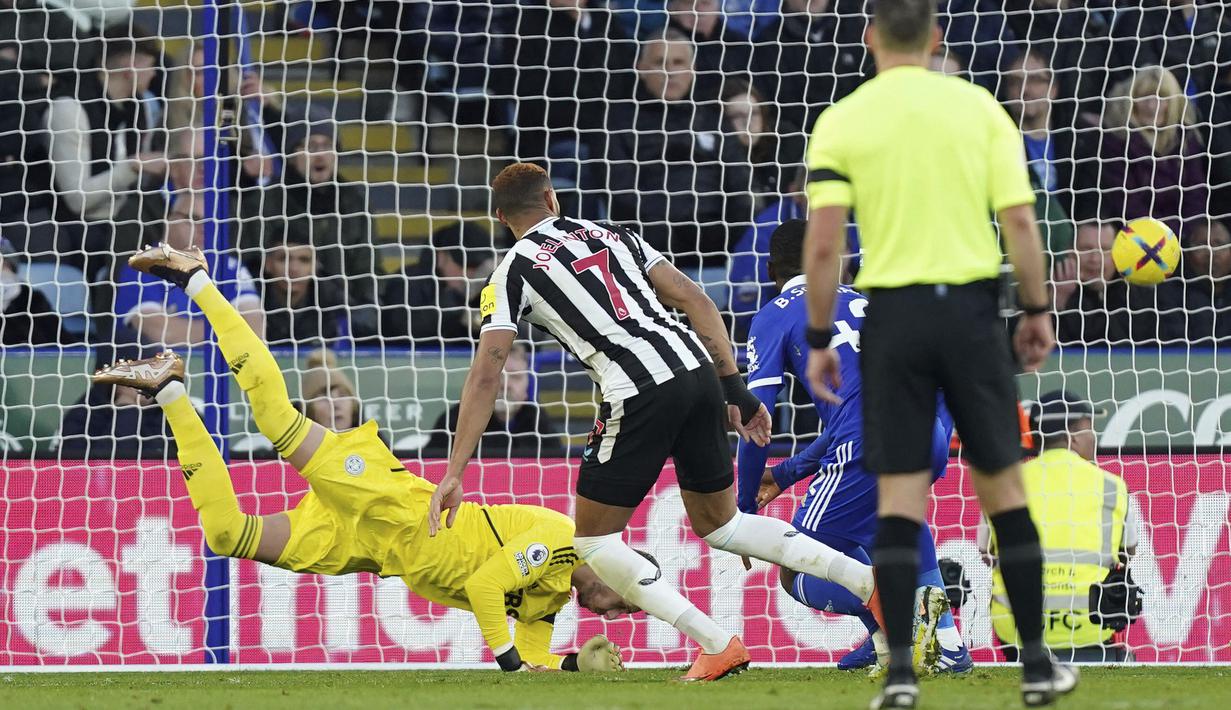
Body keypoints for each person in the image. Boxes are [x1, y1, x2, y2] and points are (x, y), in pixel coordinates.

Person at [430, 162, 921, 683]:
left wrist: (455, 470)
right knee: (723, 524)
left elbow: (487, 374)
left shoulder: (510, 272)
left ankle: (717, 643)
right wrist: (733, 387)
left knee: (594, 542)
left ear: (503, 217)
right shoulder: (615, 235)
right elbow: (695, 298)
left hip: (637, 390)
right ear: (552, 198)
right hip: (697, 372)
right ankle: (869, 582)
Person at [97, 242, 634, 673]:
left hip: (375, 548)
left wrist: (567, 667)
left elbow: (534, 662)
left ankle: (167, 389)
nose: (616, 614)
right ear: (613, 575)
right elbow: (485, 588)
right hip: (393, 506)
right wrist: (509, 661)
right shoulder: (560, 542)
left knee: (227, 536)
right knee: (276, 420)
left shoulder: (552, 600)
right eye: (624, 602)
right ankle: (196, 279)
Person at [799, 2, 1075, 707]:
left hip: (891, 316)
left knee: (898, 501)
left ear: (867, 39)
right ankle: (1038, 664)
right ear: (935, 37)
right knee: (1004, 493)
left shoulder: (843, 119)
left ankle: (898, 675)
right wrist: (1035, 310)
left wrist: (822, 336)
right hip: (970, 312)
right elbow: (1018, 218)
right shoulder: (978, 108)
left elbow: (824, 242)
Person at [738, 220, 967, 674]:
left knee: (795, 566)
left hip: (867, 442)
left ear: (770, 269)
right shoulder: (869, 302)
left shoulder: (775, 313)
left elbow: (755, 418)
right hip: (928, 429)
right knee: (892, 526)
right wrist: (786, 474)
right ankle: (946, 647)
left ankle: (894, 628)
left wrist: (743, 512)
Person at [978, 390, 1141, 663]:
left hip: (1016, 629)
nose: (1094, 437)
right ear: (1073, 438)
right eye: (1089, 429)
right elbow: (1128, 551)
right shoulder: (1111, 486)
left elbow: (987, 553)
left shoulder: (1005, 482)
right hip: (1091, 626)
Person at [602, 29, 754, 287]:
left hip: (715, 246)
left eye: (678, 63)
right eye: (660, 62)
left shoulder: (713, 118)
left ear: (692, 69)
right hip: (649, 248)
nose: (669, 72)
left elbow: (738, 186)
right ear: (641, 68)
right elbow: (619, 191)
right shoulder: (618, 121)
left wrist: (728, 240)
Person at [426, 342, 565, 458]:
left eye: (515, 377)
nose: (505, 385)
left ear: (527, 386)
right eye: (497, 376)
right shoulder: (454, 422)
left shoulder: (539, 423)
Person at [379, 220, 497, 346]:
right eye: (463, 264)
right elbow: (402, 330)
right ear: (441, 257)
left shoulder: (488, 288)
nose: (470, 273)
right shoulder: (408, 281)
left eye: (477, 267)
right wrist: (459, 296)